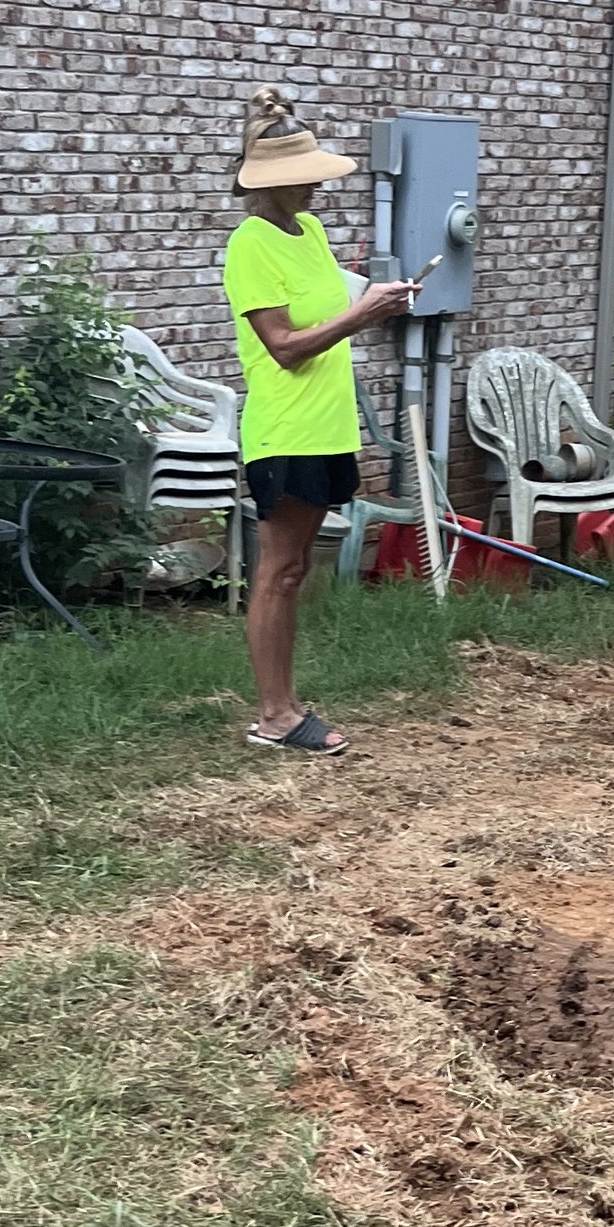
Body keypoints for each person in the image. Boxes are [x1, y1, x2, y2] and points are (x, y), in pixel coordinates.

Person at [222, 87, 414, 752]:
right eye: (300, 178)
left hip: (327, 425)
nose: (313, 188)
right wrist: (359, 318)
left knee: (296, 567)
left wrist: (377, 299)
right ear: (267, 182)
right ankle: (274, 717)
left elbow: (327, 308)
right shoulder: (250, 245)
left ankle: (285, 703)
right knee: (277, 568)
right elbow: (285, 345)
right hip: (285, 429)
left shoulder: (310, 232)